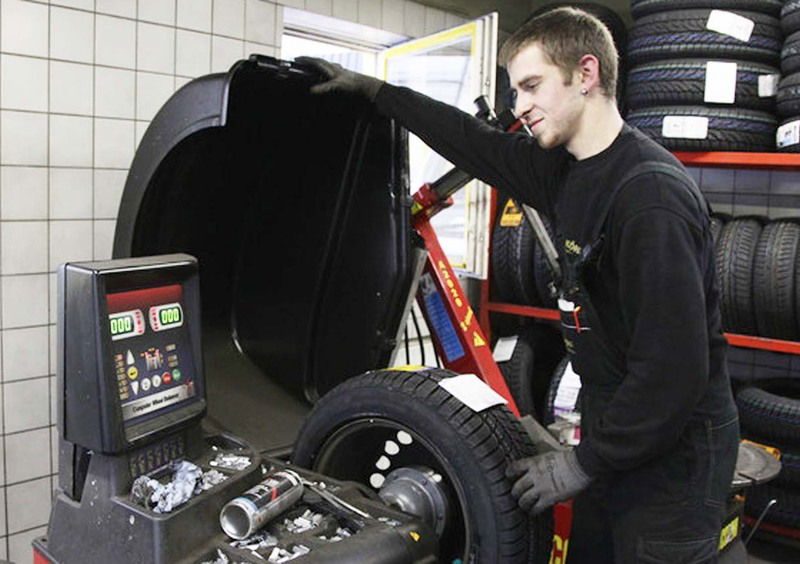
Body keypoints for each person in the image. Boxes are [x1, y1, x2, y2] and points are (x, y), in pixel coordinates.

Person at [298, 6, 740, 563]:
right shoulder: (564, 167)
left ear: (586, 74)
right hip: (618, 433)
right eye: (515, 90)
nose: (520, 106)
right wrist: (378, 92)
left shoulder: (649, 200)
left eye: (532, 86)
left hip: (676, 456)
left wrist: (579, 463)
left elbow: (673, 375)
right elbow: (472, 141)